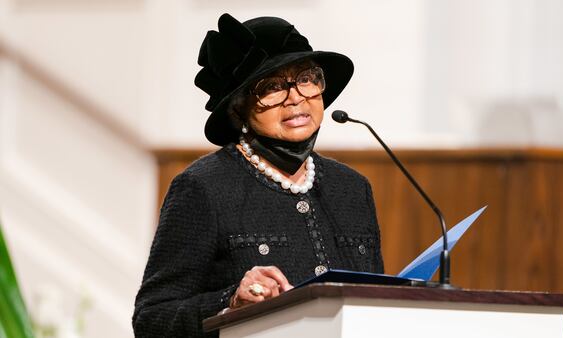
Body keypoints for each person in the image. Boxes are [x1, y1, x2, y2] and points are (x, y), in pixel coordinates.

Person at [132, 13, 383, 338]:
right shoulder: (203, 187)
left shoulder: (352, 188)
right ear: (239, 108)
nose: (296, 97)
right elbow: (152, 319)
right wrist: (230, 302)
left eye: (307, 78)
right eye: (272, 86)